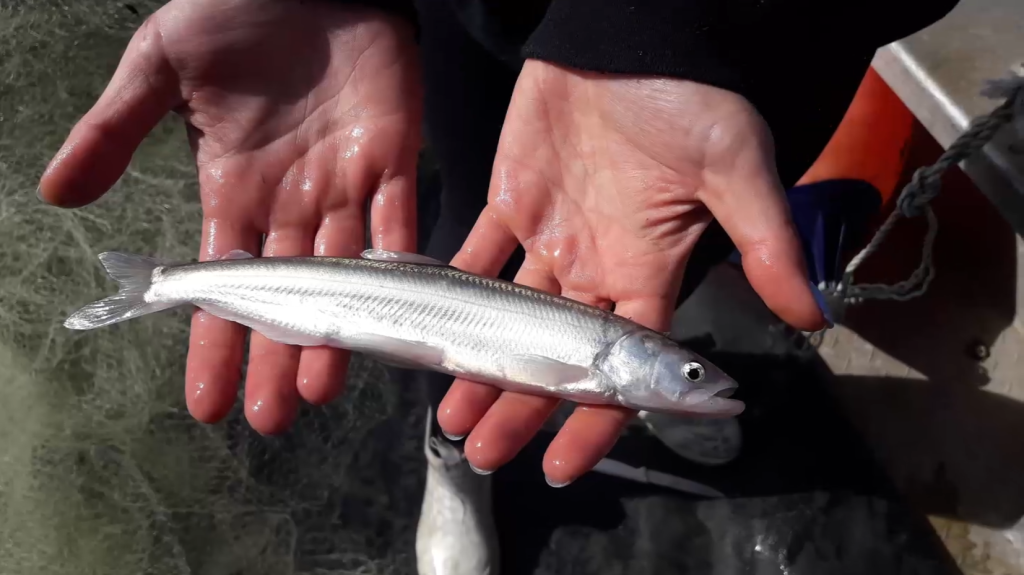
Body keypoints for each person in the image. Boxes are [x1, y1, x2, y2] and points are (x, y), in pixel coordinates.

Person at [37, 0, 959, 489]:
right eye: (685, 374)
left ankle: (451, 444)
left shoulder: (604, 350)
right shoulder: (597, 355)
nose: (701, 377)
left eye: (685, 374)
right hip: (456, 19)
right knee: (475, 218)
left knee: (608, 237)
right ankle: (450, 454)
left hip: (679, 50)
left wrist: (685, 28)